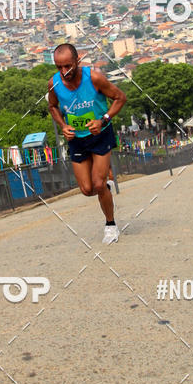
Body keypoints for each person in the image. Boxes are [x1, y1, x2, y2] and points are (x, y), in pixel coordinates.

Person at [48, 43, 127, 244]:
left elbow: (120, 98)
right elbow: (52, 107)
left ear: (77, 61)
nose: (64, 72)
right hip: (77, 139)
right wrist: (63, 125)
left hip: (100, 134)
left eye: (68, 66)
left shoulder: (94, 78)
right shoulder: (54, 84)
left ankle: (110, 225)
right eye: (59, 67)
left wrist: (104, 120)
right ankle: (105, 189)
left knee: (99, 184)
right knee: (86, 189)